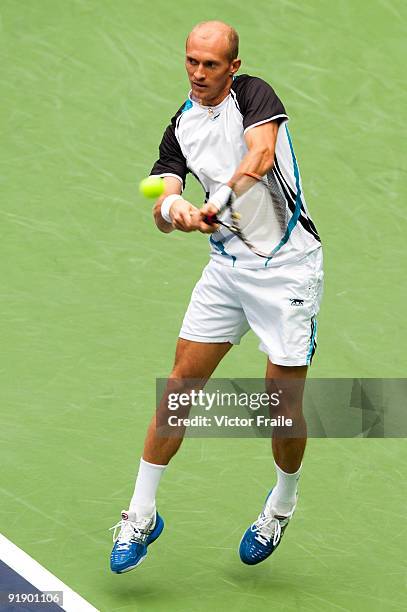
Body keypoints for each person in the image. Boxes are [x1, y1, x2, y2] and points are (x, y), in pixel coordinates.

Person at [110, 20, 323, 573]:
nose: (198, 74)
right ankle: (140, 513)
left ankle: (282, 502)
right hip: (227, 271)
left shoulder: (255, 96)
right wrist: (174, 211)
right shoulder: (180, 126)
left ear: (232, 65)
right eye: (191, 62)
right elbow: (165, 197)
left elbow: (259, 154)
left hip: (286, 271)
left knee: (283, 413)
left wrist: (219, 202)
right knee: (180, 387)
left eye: (210, 65)